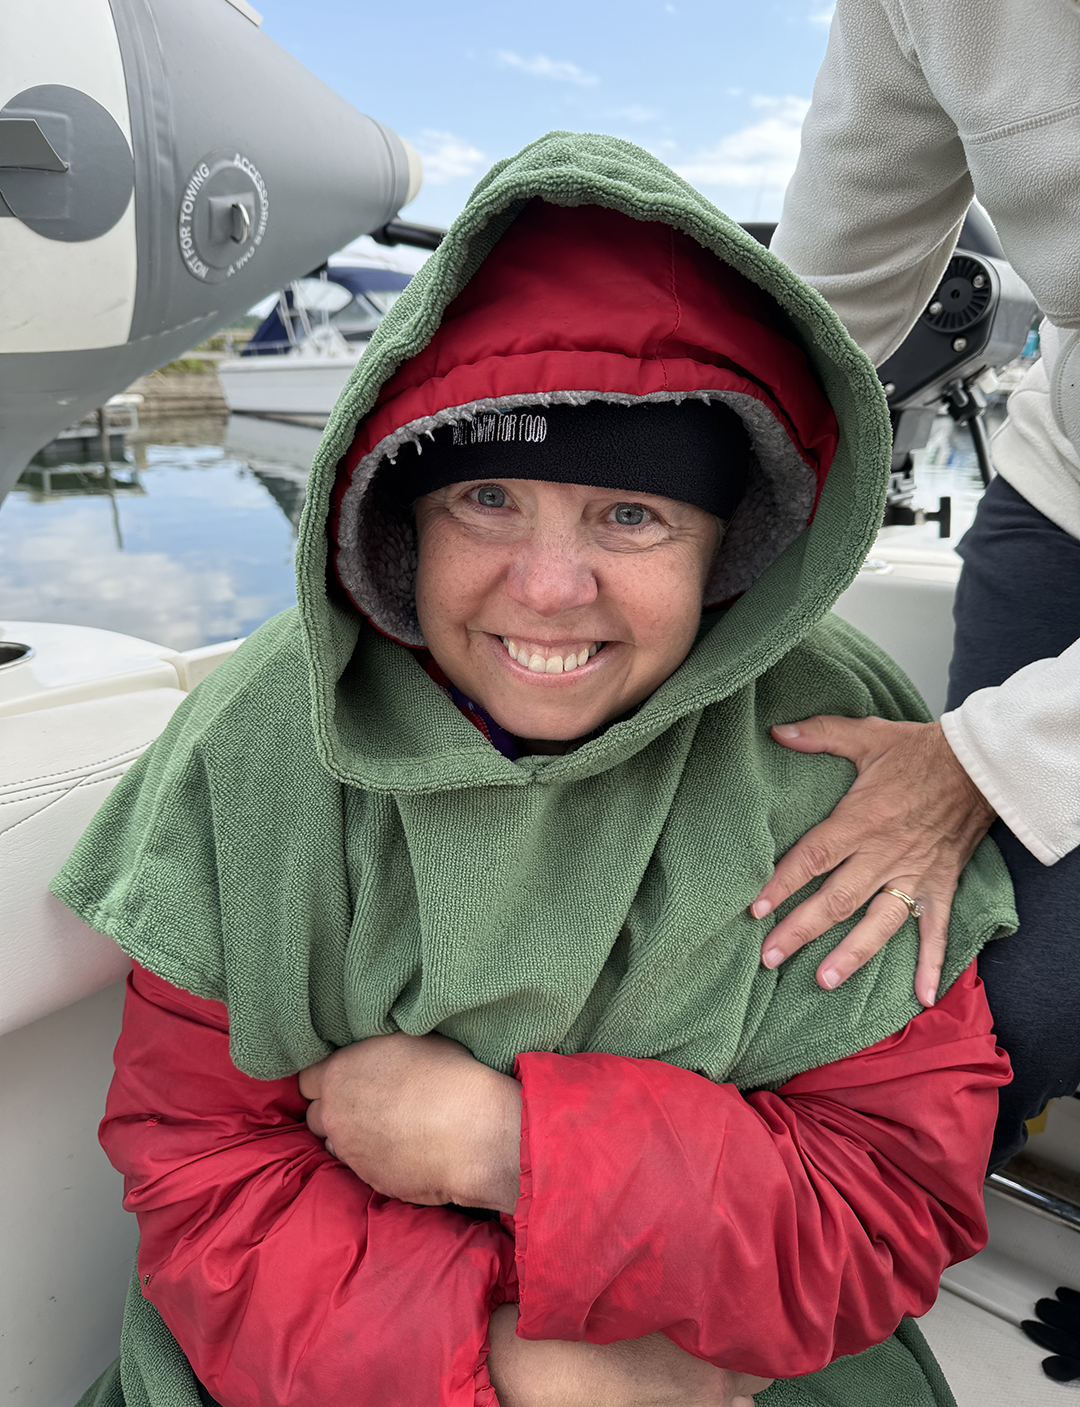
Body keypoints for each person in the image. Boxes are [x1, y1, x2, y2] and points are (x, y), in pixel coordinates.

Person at [56, 133, 1014, 1407]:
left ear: (727, 547)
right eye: (489, 499)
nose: (551, 590)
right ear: (400, 512)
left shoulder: (838, 744)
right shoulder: (261, 737)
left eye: (633, 515)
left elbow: (886, 1201)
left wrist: (515, 1149)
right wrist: (516, 1370)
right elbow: (202, 1171)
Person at [766, 0, 1080, 1174]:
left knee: (1014, 1010)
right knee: (929, 966)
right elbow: (823, 311)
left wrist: (984, 762)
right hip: (1063, 491)